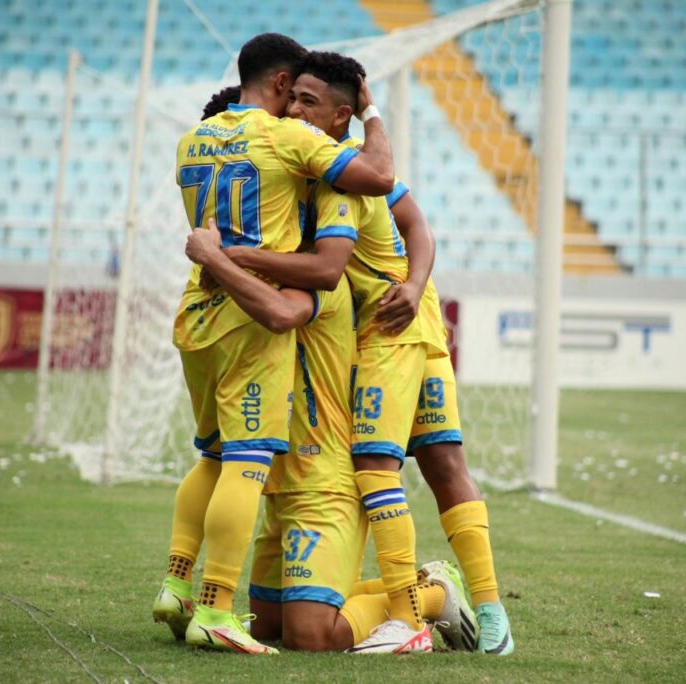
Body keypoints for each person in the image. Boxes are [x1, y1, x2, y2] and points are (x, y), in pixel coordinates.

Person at [223, 51, 510, 654]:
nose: (292, 109)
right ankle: (433, 594)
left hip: (399, 329)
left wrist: (412, 286)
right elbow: (409, 217)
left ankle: (433, 613)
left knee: (412, 465)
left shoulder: (344, 177)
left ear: (340, 116)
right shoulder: (313, 169)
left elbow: (399, 227)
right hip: (397, 326)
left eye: (306, 101)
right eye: (290, 97)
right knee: (434, 463)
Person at [153, 33, 396, 655]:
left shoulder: (192, 138)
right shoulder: (286, 139)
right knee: (245, 458)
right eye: (299, 95)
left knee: (209, 455)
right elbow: (379, 174)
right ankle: (215, 608)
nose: (298, 110)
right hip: (253, 315)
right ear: (285, 83)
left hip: (198, 308)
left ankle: (177, 585)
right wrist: (369, 111)